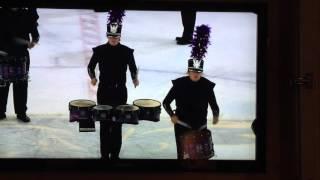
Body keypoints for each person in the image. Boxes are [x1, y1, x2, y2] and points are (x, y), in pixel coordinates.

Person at [87, 10, 139, 160]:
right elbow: (90, 67)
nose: (114, 39)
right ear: (107, 36)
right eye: (111, 36)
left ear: (120, 36)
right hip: (104, 91)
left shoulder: (127, 52)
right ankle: (104, 155)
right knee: (104, 124)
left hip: (120, 91)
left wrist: (135, 78)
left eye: (116, 36)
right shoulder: (99, 50)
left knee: (117, 124)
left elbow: (133, 67)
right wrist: (93, 78)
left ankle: (115, 155)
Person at [163, 25, 219, 159]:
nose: (196, 74)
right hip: (182, 126)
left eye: (198, 72)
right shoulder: (179, 84)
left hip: (200, 126)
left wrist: (216, 115)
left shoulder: (206, 86)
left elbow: (213, 104)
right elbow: (166, 102)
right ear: (188, 71)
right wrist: (172, 115)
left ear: (202, 72)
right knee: (183, 157)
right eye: (193, 71)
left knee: (201, 158)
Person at [0, 7, 39, 122]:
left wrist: (34, 41)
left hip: (21, 53)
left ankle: (21, 112)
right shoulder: (1, 13)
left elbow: (35, 33)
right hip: (3, 53)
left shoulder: (27, 13)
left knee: (21, 84)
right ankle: (0, 111)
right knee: (2, 84)